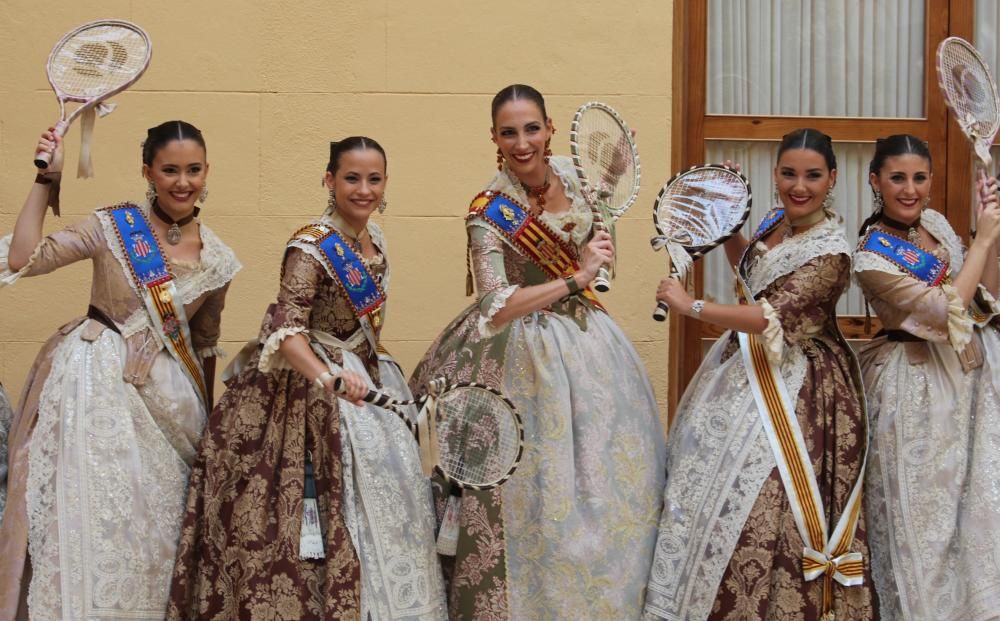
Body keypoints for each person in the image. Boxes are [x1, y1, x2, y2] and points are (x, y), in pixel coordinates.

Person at [408, 84, 666, 619]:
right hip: (514, 358)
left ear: (549, 128)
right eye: (509, 132)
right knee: (529, 496)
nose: (522, 143)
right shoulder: (487, 210)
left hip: (591, 349)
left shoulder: (575, 176)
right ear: (494, 139)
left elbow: (602, 256)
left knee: (605, 486)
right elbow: (495, 305)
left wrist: (608, 199)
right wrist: (577, 278)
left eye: (531, 129)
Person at [168, 137, 447, 621]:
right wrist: (329, 378)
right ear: (329, 181)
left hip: (363, 374)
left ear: (385, 183)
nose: (363, 189)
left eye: (374, 179)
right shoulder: (310, 247)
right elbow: (287, 329)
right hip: (307, 387)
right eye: (352, 178)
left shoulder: (374, 240)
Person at [0, 120, 240, 619]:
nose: (182, 182)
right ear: (148, 171)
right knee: (92, 521)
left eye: (193, 170)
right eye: (170, 170)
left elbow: (205, 345)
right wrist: (46, 180)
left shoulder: (218, 258)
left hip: (170, 408)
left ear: (206, 172)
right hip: (92, 390)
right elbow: (25, 257)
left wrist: (210, 432)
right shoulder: (112, 227)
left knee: (154, 531)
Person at [644, 129, 877, 620]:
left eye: (812, 175)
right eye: (788, 173)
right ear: (775, 174)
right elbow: (753, 275)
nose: (799, 186)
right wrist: (727, 218)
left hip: (803, 389)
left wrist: (693, 305)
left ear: (832, 178)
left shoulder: (833, 253)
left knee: (767, 499)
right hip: (747, 367)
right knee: (708, 485)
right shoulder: (777, 223)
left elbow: (769, 315)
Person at [854, 134, 1000, 620]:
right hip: (912, 390)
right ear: (875, 180)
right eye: (897, 178)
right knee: (924, 520)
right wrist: (980, 241)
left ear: (932, 182)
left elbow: (981, 300)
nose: (910, 189)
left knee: (969, 517)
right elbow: (942, 316)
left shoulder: (935, 224)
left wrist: (991, 236)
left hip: (968, 383)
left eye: (919, 178)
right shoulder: (872, 255)